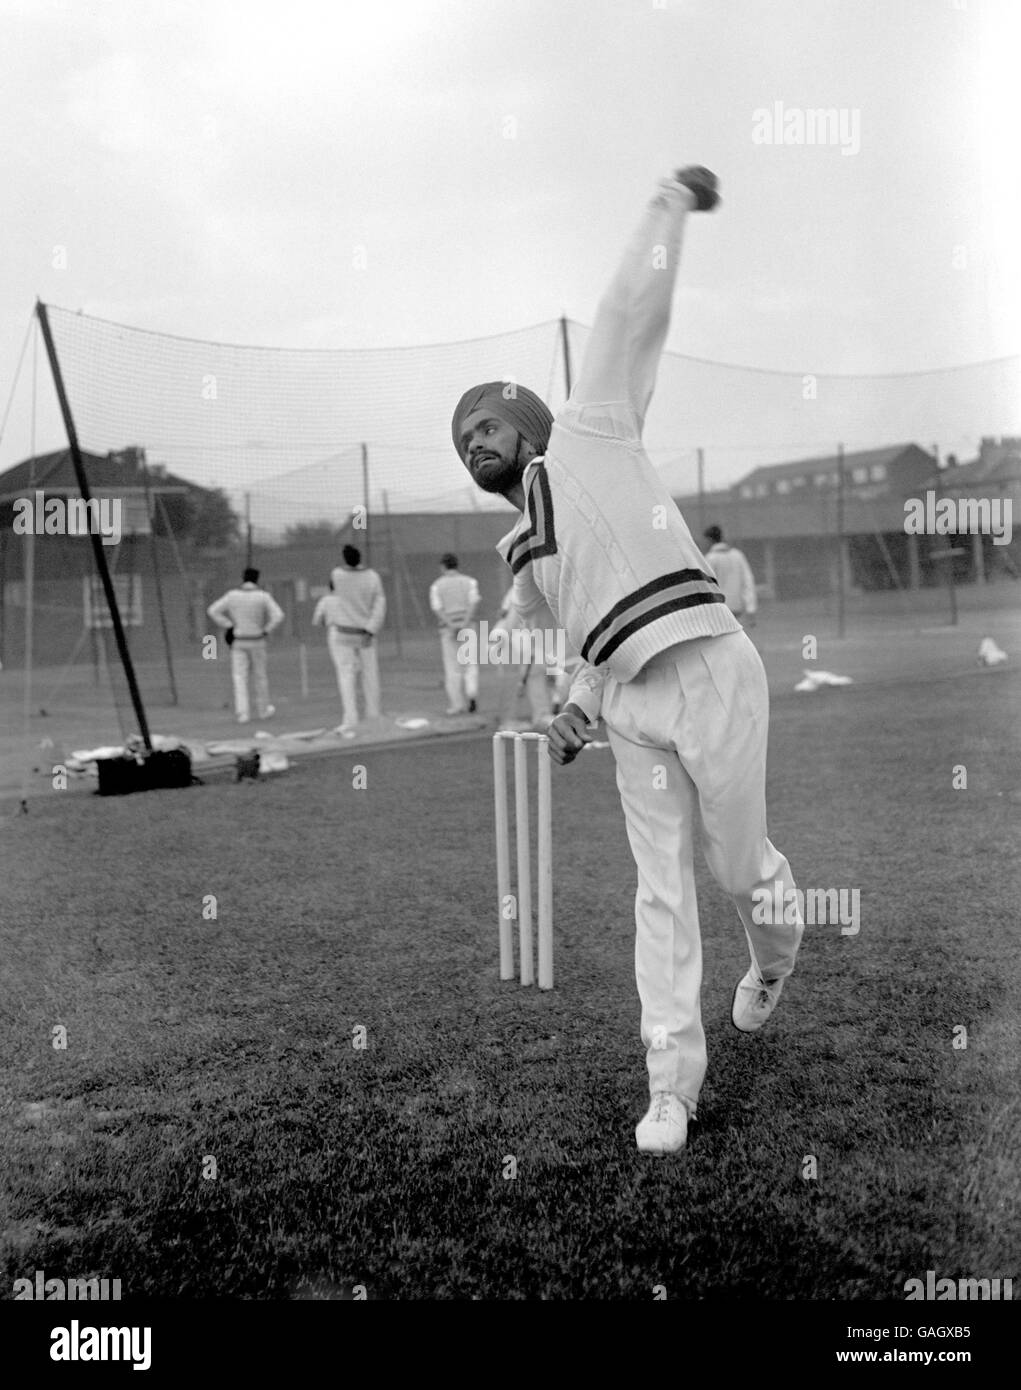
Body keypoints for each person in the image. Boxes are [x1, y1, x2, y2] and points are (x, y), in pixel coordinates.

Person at [451, 166, 803, 1157]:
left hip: (710, 666)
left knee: (739, 865)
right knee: (662, 890)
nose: (472, 443)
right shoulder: (517, 559)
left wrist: (666, 204)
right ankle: (669, 1089)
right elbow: (574, 645)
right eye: (458, 440)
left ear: (525, 421)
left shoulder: (591, 432)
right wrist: (573, 704)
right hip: (631, 708)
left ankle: (772, 960)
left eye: (483, 423)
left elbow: (628, 310)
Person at [312, 544, 386, 735]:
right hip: (364, 633)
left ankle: (350, 719)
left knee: (346, 676)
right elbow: (379, 604)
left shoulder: (337, 574)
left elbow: (336, 586)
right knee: (370, 675)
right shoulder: (373, 576)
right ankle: (373, 716)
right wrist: (371, 628)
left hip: (343, 633)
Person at [207, 567, 285, 724]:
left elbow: (213, 610)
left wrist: (229, 625)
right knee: (260, 676)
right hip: (257, 640)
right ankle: (263, 711)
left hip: (239, 640)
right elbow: (279, 615)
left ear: (243, 578)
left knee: (239, 677)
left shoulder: (232, 596)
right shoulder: (263, 596)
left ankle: (243, 714)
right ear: (257, 579)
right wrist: (267, 630)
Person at [429, 553, 481, 715]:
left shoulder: (437, 586)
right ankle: (472, 694)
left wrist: (452, 625)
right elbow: (473, 603)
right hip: (468, 627)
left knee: (452, 668)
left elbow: (437, 608)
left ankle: (457, 704)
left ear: (443, 566)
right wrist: (464, 623)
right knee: (470, 665)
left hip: (448, 629)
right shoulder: (470, 582)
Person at [703, 525, 758, 627]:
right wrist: (751, 608)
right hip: (737, 607)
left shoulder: (710, 558)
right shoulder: (738, 555)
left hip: (719, 608)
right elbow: (748, 581)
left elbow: (706, 584)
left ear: (710, 540)